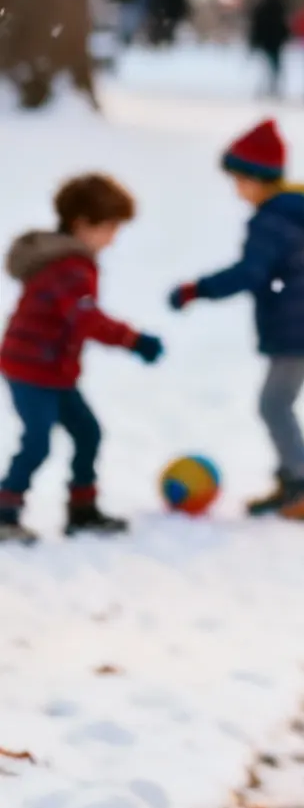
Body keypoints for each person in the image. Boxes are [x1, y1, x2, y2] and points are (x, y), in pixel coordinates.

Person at [168, 121, 304, 520]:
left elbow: (250, 273)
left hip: (296, 327)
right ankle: (292, 479)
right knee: (276, 403)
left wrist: (197, 289)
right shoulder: (290, 213)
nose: (236, 190)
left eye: (239, 181)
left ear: (258, 179)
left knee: (274, 404)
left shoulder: (272, 219)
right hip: (302, 323)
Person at [1, 173, 163, 542]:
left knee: (87, 433)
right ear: (81, 224)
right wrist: (134, 340)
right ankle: (4, 511)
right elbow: (86, 318)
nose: (113, 237)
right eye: (109, 227)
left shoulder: (69, 262)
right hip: (30, 369)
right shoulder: (69, 268)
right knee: (37, 442)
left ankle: (82, 509)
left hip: (52, 369)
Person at [247, 0, 290, 93]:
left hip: (268, 40)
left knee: (268, 65)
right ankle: (271, 86)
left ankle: (268, 86)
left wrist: (255, 39)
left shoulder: (263, 6)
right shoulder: (280, 6)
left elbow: (257, 25)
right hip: (275, 40)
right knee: (273, 65)